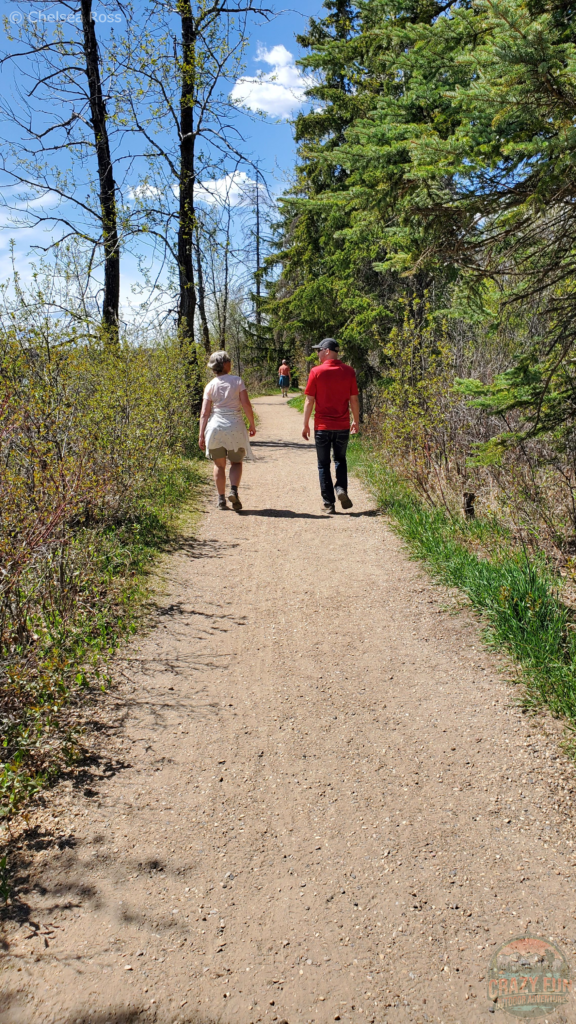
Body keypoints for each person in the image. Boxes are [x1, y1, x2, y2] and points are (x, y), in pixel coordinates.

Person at [301, 338, 360, 513]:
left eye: (318, 350)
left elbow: (309, 400)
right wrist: (355, 420)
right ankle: (341, 488)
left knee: (323, 464)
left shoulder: (316, 372)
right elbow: (354, 399)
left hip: (322, 427)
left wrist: (305, 425)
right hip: (342, 426)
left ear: (326, 351)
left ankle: (328, 503)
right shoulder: (348, 371)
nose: (317, 354)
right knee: (340, 460)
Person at [199, 350, 256, 511]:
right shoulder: (237, 381)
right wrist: (252, 424)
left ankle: (221, 499)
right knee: (236, 462)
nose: (231, 363)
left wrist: (201, 435)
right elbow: (246, 405)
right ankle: (234, 490)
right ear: (224, 364)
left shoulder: (210, 386)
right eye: (229, 361)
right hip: (235, 426)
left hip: (215, 428)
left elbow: (204, 413)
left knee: (219, 465)